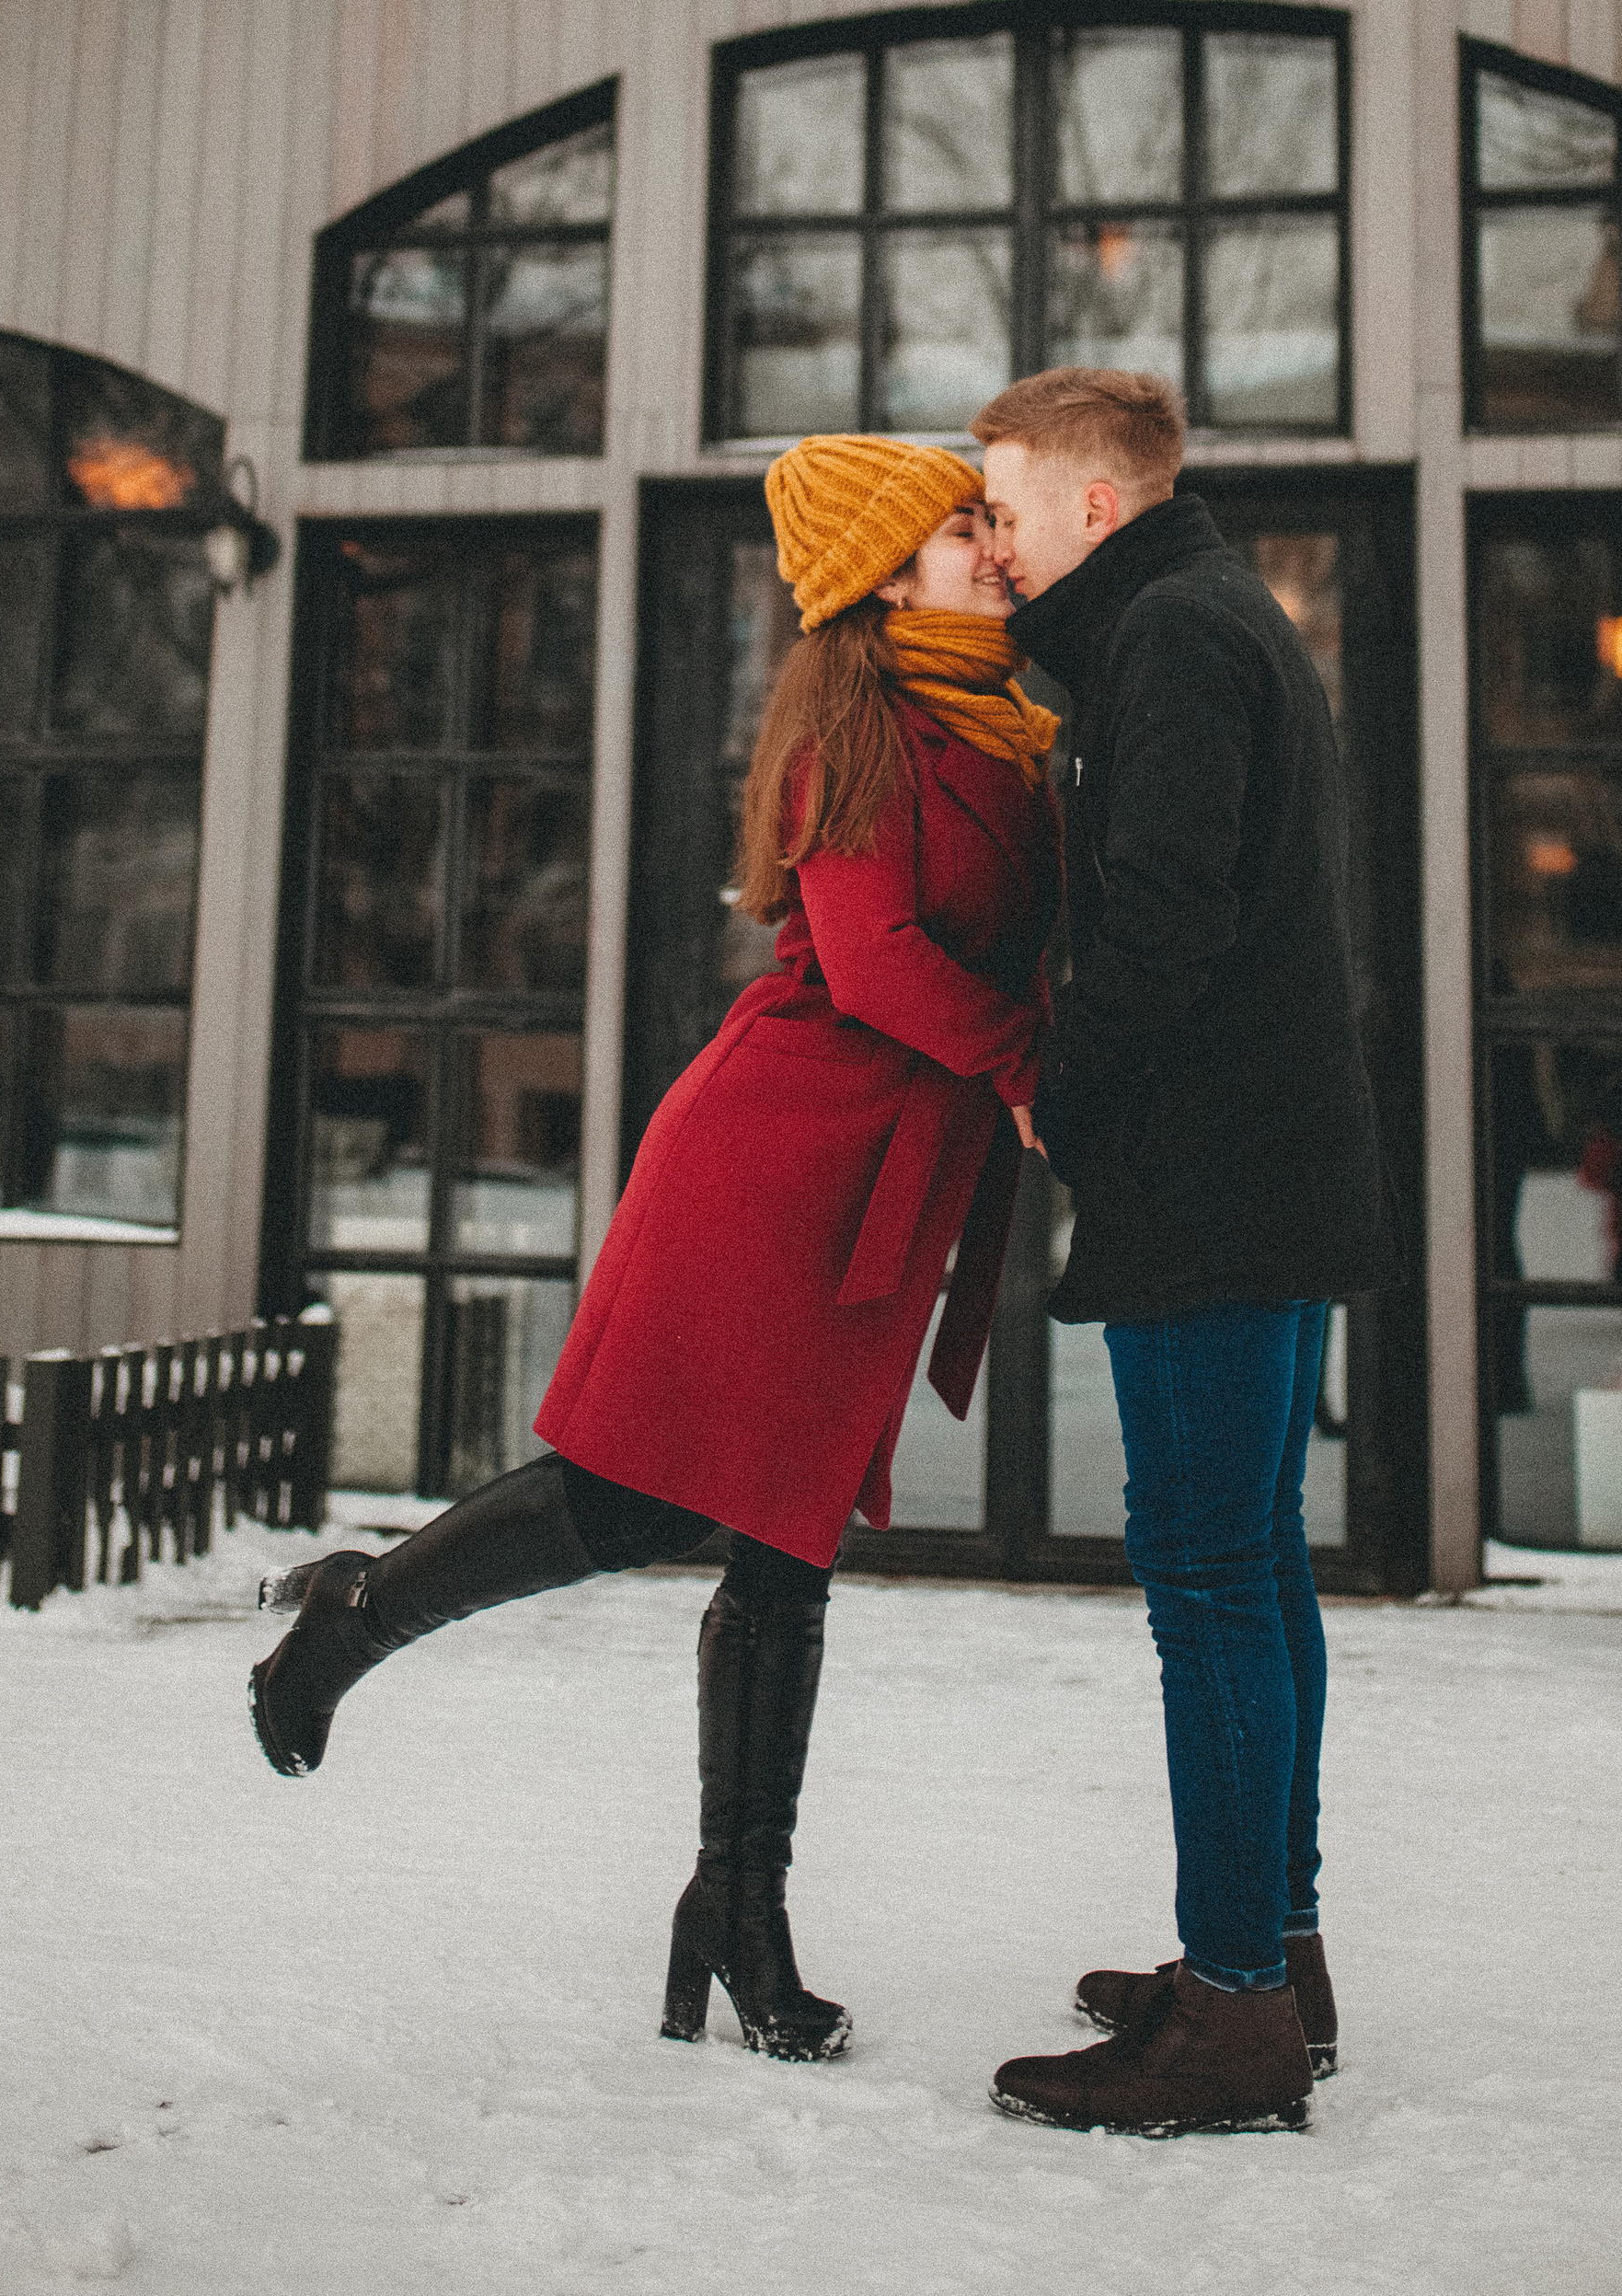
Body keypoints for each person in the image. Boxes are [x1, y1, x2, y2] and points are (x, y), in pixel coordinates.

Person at [247, 435, 1058, 2067]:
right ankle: (350, 1622)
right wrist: (1035, 1069)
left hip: (884, 1176)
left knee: (788, 1550)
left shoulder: (1009, 725)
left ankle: (735, 1908)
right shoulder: (860, 731)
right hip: (780, 1156)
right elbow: (880, 960)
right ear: (888, 576)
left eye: (986, 519)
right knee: (642, 1491)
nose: (993, 543)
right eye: (963, 526)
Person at [971, 365, 1388, 2141]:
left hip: (1214, 1187)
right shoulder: (1202, 622)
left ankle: (1233, 2014)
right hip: (1261, 1179)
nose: (987, 536)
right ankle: (1267, 1962)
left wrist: (1062, 1090)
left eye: (999, 503)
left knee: (1211, 1581)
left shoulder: (1173, 642)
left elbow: (1164, 910)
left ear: (1091, 503)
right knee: (1254, 1576)